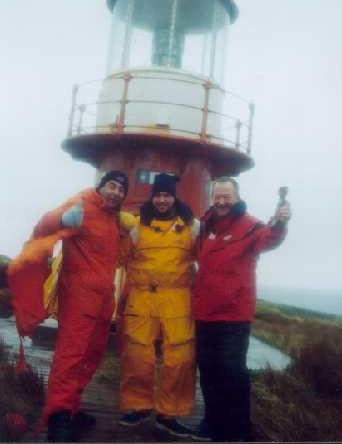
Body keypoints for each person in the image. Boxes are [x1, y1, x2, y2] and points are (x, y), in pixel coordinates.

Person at [8, 170, 130, 442]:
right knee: (70, 357)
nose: (115, 193)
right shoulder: (83, 202)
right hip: (79, 296)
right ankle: (58, 417)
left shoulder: (113, 218)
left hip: (102, 300)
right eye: (111, 186)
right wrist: (62, 219)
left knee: (91, 356)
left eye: (121, 190)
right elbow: (45, 223)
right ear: (100, 186)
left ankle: (71, 406)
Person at [192, 177, 291, 442]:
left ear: (237, 197)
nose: (222, 202)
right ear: (212, 197)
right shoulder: (203, 225)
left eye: (227, 197)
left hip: (234, 315)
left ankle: (237, 430)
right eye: (218, 197)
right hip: (204, 312)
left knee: (232, 371)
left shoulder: (251, 226)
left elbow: (270, 238)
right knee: (208, 370)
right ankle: (212, 422)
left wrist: (281, 221)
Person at [118, 173, 200, 439]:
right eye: (158, 195)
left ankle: (169, 414)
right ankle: (138, 407)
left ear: (174, 197)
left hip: (178, 299)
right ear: (152, 196)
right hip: (142, 298)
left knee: (180, 358)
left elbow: (209, 258)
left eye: (167, 195)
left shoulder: (193, 226)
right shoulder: (135, 226)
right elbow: (116, 249)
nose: (162, 200)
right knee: (138, 356)